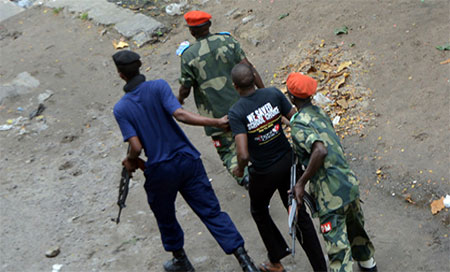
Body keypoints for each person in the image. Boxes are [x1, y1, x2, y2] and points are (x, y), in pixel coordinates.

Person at [111, 50, 258, 272]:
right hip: (187, 159)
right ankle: (245, 260)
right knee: (211, 211)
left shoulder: (121, 108)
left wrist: (130, 160)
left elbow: (136, 146)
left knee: (165, 215)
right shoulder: (159, 87)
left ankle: (181, 260)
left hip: (160, 171)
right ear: (140, 65)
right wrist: (216, 122)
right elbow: (180, 115)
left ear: (121, 75)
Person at [228, 64, 327, 272]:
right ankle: (320, 268)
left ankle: (276, 258)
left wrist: (239, 169)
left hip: (263, 172)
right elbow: (295, 119)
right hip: (288, 162)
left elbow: (243, 153)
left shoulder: (237, 112)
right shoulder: (273, 93)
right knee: (298, 213)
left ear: (235, 87)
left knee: (259, 210)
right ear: (255, 78)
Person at [286, 72, 377, 272]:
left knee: (338, 248)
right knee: (356, 230)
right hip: (347, 183)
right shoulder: (320, 113)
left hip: (329, 194)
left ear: (291, 97)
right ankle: (368, 265)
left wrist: (300, 183)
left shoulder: (299, 125)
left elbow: (319, 150)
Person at [177, 10, 265, 189]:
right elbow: (248, 68)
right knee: (254, 138)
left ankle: (246, 178)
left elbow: (185, 87)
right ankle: (263, 169)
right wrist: (263, 94)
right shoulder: (228, 41)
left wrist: (179, 99)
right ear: (209, 25)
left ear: (192, 31)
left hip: (216, 116)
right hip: (244, 106)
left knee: (227, 150)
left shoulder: (188, 56)